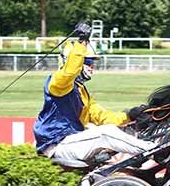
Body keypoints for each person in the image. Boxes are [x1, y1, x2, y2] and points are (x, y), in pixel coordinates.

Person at [33, 22, 153, 163]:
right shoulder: (58, 83)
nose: (92, 67)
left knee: (117, 130)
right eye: (88, 62)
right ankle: (153, 150)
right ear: (72, 60)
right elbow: (70, 72)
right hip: (57, 146)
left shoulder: (82, 92)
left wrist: (130, 115)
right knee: (106, 133)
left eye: (92, 63)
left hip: (72, 143)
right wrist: (82, 42)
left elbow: (103, 117)